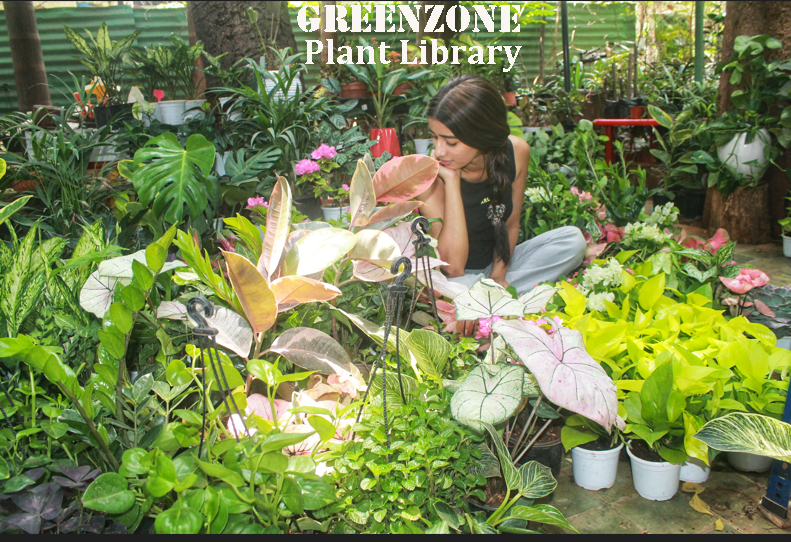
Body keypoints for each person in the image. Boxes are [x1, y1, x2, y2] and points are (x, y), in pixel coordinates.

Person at [416, 74, 587, 311]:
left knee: (572, 240)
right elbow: (452, 267)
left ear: (483, 136)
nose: (439, 150)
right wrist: (452, 181)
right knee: (458, 289)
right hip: (457, 280)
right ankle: (498, 300)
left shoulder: (516, 151)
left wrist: (498, 276)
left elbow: (510, 224)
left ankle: (489, 300)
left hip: (496, 270)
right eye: (434, 138)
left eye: (451, 142)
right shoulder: (429, 176)